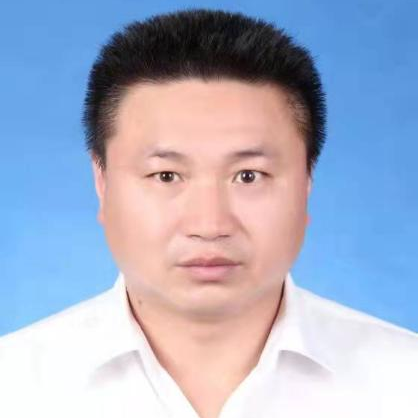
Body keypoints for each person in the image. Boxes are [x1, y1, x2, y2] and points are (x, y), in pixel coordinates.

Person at [0, 8, 417, 418]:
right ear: (102, 182)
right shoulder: (14, 385)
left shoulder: (404, 381)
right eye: (166, 176)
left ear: (307, 181)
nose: (210, 225)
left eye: (248, 176)